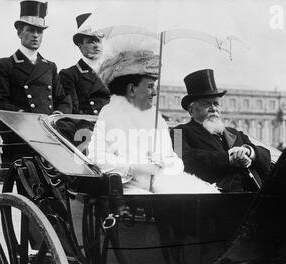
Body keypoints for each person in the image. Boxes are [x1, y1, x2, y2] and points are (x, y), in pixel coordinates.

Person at [87, 51, 219, 194]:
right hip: (128, 187)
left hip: (161, 182)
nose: (155, 92)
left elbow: (174, 159)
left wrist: (167, 164)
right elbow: (96, 156)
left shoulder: (154, 116)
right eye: (150, 86)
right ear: (131, 89)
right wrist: (132, 167)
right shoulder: (110, 113)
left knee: (207, 195)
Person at [0, 0, 71, 165]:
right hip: (21, 138)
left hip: (50, 137)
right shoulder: (4, 65)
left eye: (40, 31)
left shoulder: (50, 67)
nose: (36, 35)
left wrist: (56, 116)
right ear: (19, 32)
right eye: (31, 30)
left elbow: (63, 99)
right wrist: (29, 119)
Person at [174, 69, 271, 192]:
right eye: (206, 104)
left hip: (253, 197)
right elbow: (181, 161)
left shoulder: (235, 133)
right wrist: (229, 159)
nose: (213, 108)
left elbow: (266, 159)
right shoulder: (177, 132)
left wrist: (249, 152)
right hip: (215, 202)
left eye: (216, 103)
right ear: (191, 110)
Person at [59, 13, 110, 115]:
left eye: (98, 41)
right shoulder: (69, 74)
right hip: (87, 125)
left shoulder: (113, 70)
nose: (96, 46)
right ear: (80, 45)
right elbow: (73, 110)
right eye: (91, 42)